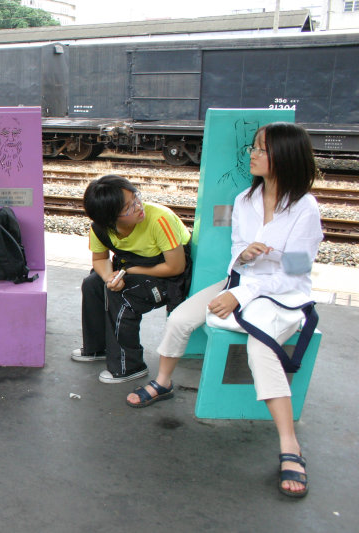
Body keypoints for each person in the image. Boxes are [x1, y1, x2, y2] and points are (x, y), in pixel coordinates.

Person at [125, 122, 322, 498]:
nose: (253, 154)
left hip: (284, 295)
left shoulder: (305, 208)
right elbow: (238, 252)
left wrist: (243, 294)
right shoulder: (246, 199)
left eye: (262, 149)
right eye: (254, 147)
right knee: (181, 318)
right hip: (243, 284)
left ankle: (289, 445)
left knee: (261, 348)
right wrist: (243, 258)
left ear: (285, 155)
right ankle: (164, 382)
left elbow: (297, 271)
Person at [71, 175, 191, 383]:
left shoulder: (160, 219)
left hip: (169, 275)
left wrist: (134, 271)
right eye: (127, 207)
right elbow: (100, 259)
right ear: (109, 218)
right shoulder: (100, 228)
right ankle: (98, 348)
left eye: (136, 197)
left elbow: (176, 266)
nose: (138, 207)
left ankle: (130, 366)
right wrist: (109, 277)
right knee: (93, 284)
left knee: (123, 294)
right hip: (131, 267)